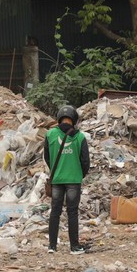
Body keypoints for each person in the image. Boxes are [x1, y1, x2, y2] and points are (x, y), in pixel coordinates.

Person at [43, 105, 90, 254]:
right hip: (73, 180)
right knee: (72, 212)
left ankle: (52, 246)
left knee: (55, 212)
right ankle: (74, 247)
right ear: (74, 120)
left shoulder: (50, 135)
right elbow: (85, 161)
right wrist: (79, 174)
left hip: (57, 180)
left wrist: (56, 171)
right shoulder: (80, 136)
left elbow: (47, 157)